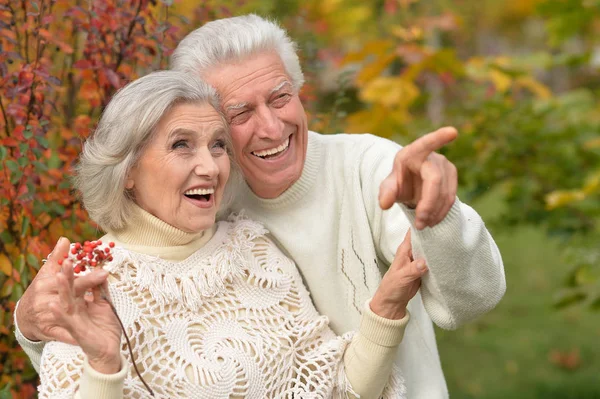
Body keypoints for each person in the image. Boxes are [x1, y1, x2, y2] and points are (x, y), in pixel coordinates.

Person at [15, 14, 506, 398]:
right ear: (128, 172)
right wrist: (34, 325)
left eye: (280, 97)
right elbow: (86, 349)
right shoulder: (197, 213)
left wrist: (437, 219)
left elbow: (469, 300)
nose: (270, 128)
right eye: (240, 113)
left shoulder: (369, 169)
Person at [32, 70, 426, 398]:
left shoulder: (252, 250)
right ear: (128, 169)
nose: (210, 167)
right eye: (182, 145)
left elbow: (339, 390)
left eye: (218, 145)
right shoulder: (88, 279)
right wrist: (104, 366)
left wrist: (387, 309)